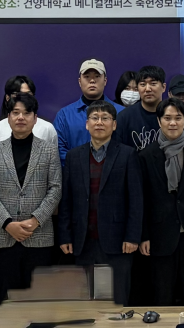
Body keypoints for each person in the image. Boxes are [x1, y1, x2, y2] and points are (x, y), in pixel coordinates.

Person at [57, 101, 143, 306]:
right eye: (94, 118)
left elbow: (136, 200)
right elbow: (66, 200)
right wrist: (65, 235)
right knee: (86, 302)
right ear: (87, 124)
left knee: (116, 300)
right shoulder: (74, 156)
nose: (99, 122)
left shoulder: (127, 154)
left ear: (114, 124)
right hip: (82, 241)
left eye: (105, 118)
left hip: (117, 242)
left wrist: (132, 237)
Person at [0, 93, 62, 306]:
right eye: (15, 112)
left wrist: (35, 221)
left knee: (38, 301)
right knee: (1, 302)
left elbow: (55, 189)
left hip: (39, 235)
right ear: (8, 117)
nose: (20, 117)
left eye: (26, 113)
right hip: (2, 236)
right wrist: (8, 224)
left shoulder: (48, 150)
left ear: (35, 118)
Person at [139, 98, 184, 306]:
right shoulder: (146, 156)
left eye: (178, 118)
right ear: (159, 121)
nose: (173, 123)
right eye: (167, 118)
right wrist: (144, 236)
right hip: (160, 234)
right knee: (162, 295)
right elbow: (142, 199)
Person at [55, 59, 125, 166]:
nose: (92, 80)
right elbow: (59, 150)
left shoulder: (121, 113)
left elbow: (127, 148)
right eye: (87, 76)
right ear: (80, 81)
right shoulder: (64, 115)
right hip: (75, 173)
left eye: (97, 76)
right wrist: (82, 169)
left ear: (105, 81)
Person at [114, 66, 184, 151]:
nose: (148, 89)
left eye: (153, 84)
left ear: (163, 87)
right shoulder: (124, 117)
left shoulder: (176, 115)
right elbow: (116, 150)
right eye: (143, 84)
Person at [0, 75, 59, 148]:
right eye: (18, 94)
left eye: (28, 94)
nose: (23, 98)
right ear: (7, 98)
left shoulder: (47, 128)